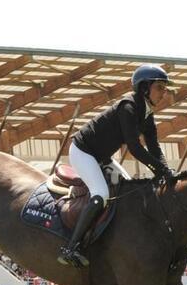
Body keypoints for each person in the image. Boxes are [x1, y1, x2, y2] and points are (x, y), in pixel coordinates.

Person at [57, 64, 175, 267]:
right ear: (145, 88)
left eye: (164, 88)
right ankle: (71, 247)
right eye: (160, 87)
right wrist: (161, 170)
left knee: (128, 189)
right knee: (101, 194)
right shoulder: (128, 107)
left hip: (102, 157)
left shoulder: (147, 115)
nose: (164, 93)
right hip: (83, 151)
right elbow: (135, 148)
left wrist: (166, 170)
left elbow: (155, 148)